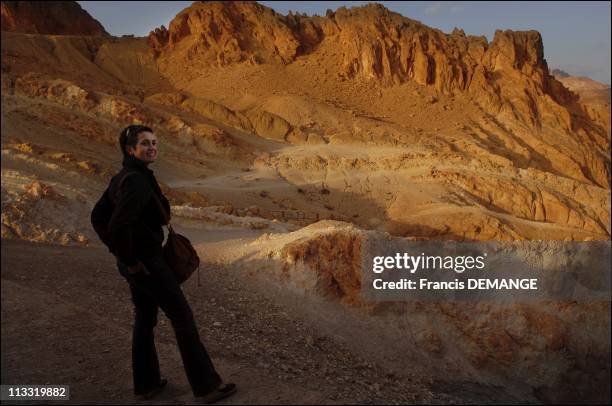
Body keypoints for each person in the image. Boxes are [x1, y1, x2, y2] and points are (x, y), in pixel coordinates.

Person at [91, 124, 236, 403]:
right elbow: (117, 225)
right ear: (130, 149)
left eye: (154, 143)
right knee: (182, 318)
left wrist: (122, 257)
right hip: (147, 264)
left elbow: (97, 217)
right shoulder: (134, 181)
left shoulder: (124, 177)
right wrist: (130, 260)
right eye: (145, 143)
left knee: (145, 319)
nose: (152, 147)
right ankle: (207, 387)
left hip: (139, 264)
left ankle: (146, 385)